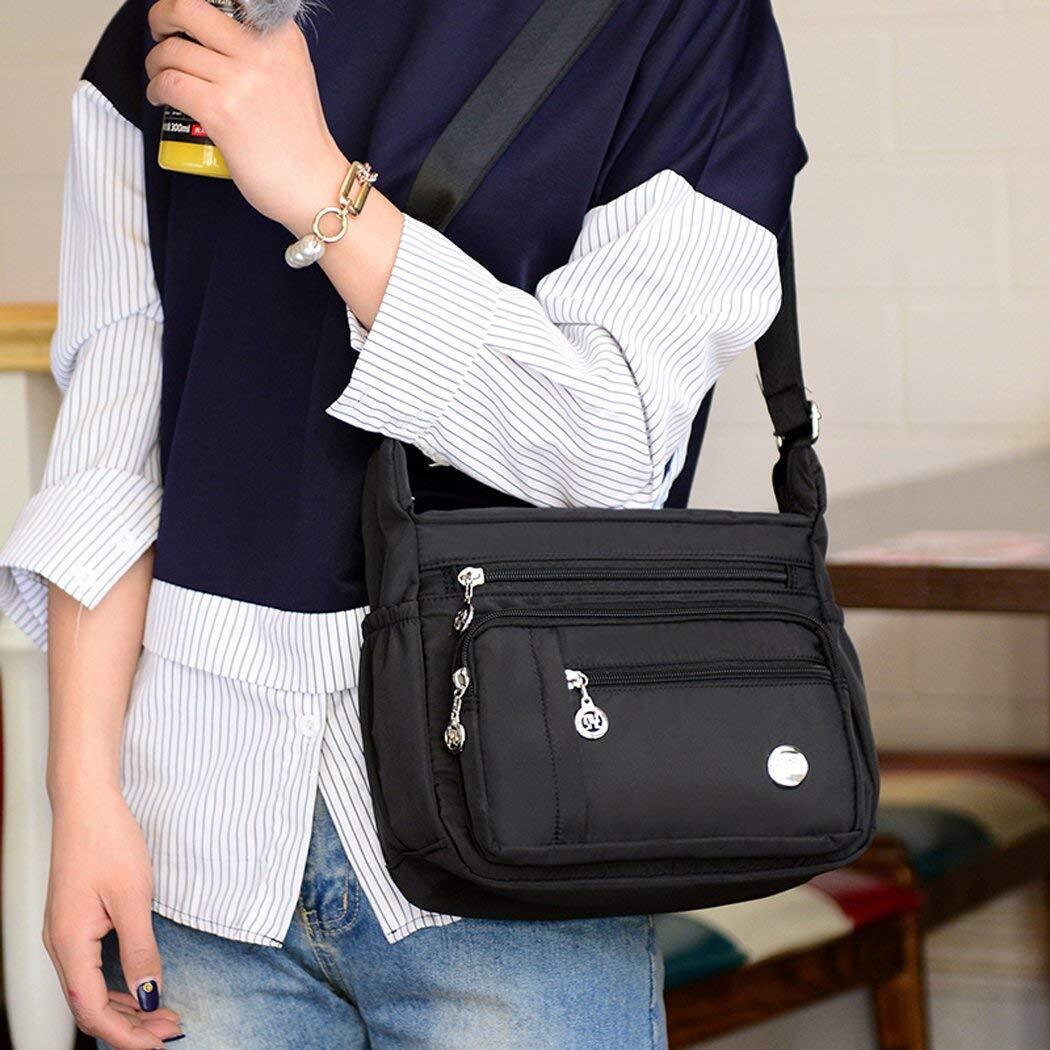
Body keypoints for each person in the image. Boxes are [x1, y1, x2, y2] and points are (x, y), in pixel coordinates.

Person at [0, 0, 806, 1046]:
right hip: (188, 850)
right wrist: (80, 794)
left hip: (515, 850)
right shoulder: (169, 31)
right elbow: (110, 457)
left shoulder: (678, 22)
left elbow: (610, 447)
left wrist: (321, 194)